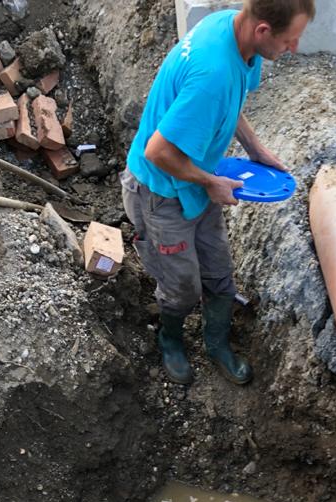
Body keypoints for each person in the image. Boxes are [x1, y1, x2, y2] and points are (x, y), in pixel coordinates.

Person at [121, 0, 315, 386]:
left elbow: (232, 101)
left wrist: (256, 150)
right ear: (263, 30)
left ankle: (216, 344)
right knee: (182, 287)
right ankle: (170, 339)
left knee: (219, 274)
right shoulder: (212, 73)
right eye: (289, 40)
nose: (293, 48)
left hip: (196, 178)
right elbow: (157, 152)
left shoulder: (234, 32)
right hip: (160, 192)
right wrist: (211, 183)